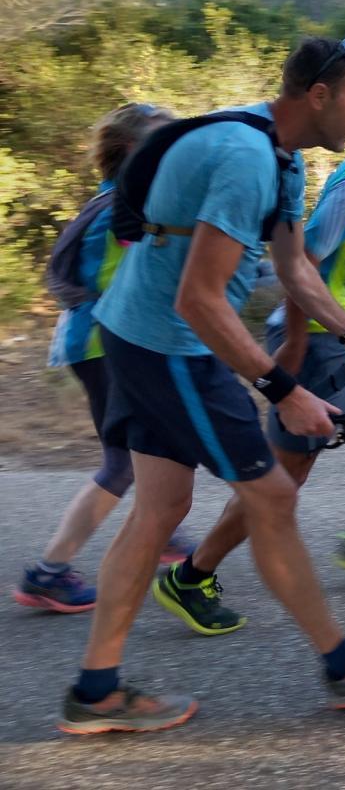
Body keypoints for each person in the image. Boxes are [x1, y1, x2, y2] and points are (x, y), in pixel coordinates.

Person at [58, 38, 345, 736]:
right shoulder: (246, 159)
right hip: (168, 345)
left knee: (160, 508)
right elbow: (200, 301)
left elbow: (294, 268)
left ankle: (96, 689)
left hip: (145, 335)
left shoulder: (281, 155)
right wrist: (283, 388)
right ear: (317, 97)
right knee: (271, 496)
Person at [152, 84, 345, 638]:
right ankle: (192, 576)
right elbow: (303, 262)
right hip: (314, 344)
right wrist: (290, 346)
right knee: (279, 479)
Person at [14, 104, 194, 614]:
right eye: (164, 142)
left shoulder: (123, 198)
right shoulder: (125, 207)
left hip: (102, 339)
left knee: (149, 447)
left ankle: (166, 533)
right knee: (123, 461)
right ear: (134, 152)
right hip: (103, 344)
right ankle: (48, 572)